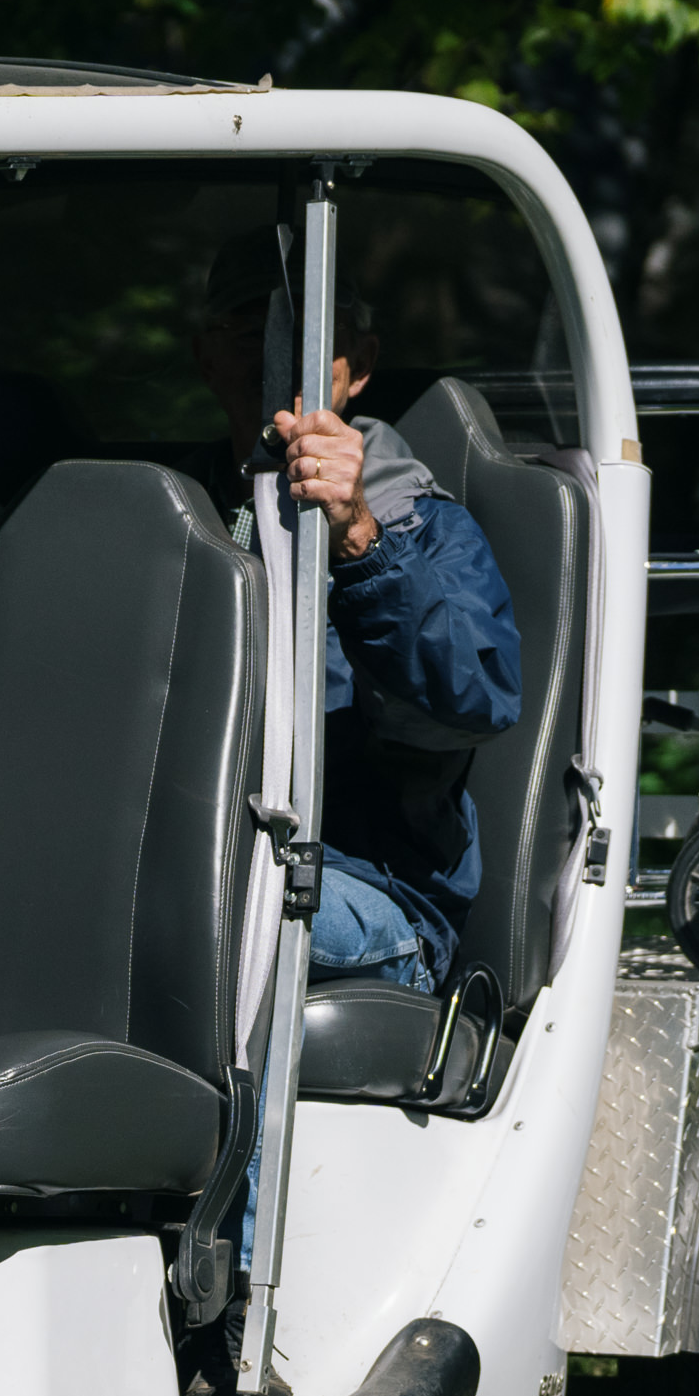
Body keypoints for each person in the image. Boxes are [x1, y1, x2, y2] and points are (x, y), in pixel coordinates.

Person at [192, 267, 522, 992]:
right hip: (190, 854)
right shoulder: (172, 517)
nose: (280, 360)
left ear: (360, 365)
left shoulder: (422, 525)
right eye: (253, 334)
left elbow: (474, 700)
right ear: (205, 359)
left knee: (199, 903)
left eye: (311, 339)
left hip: (371, 887)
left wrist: (359, 544)